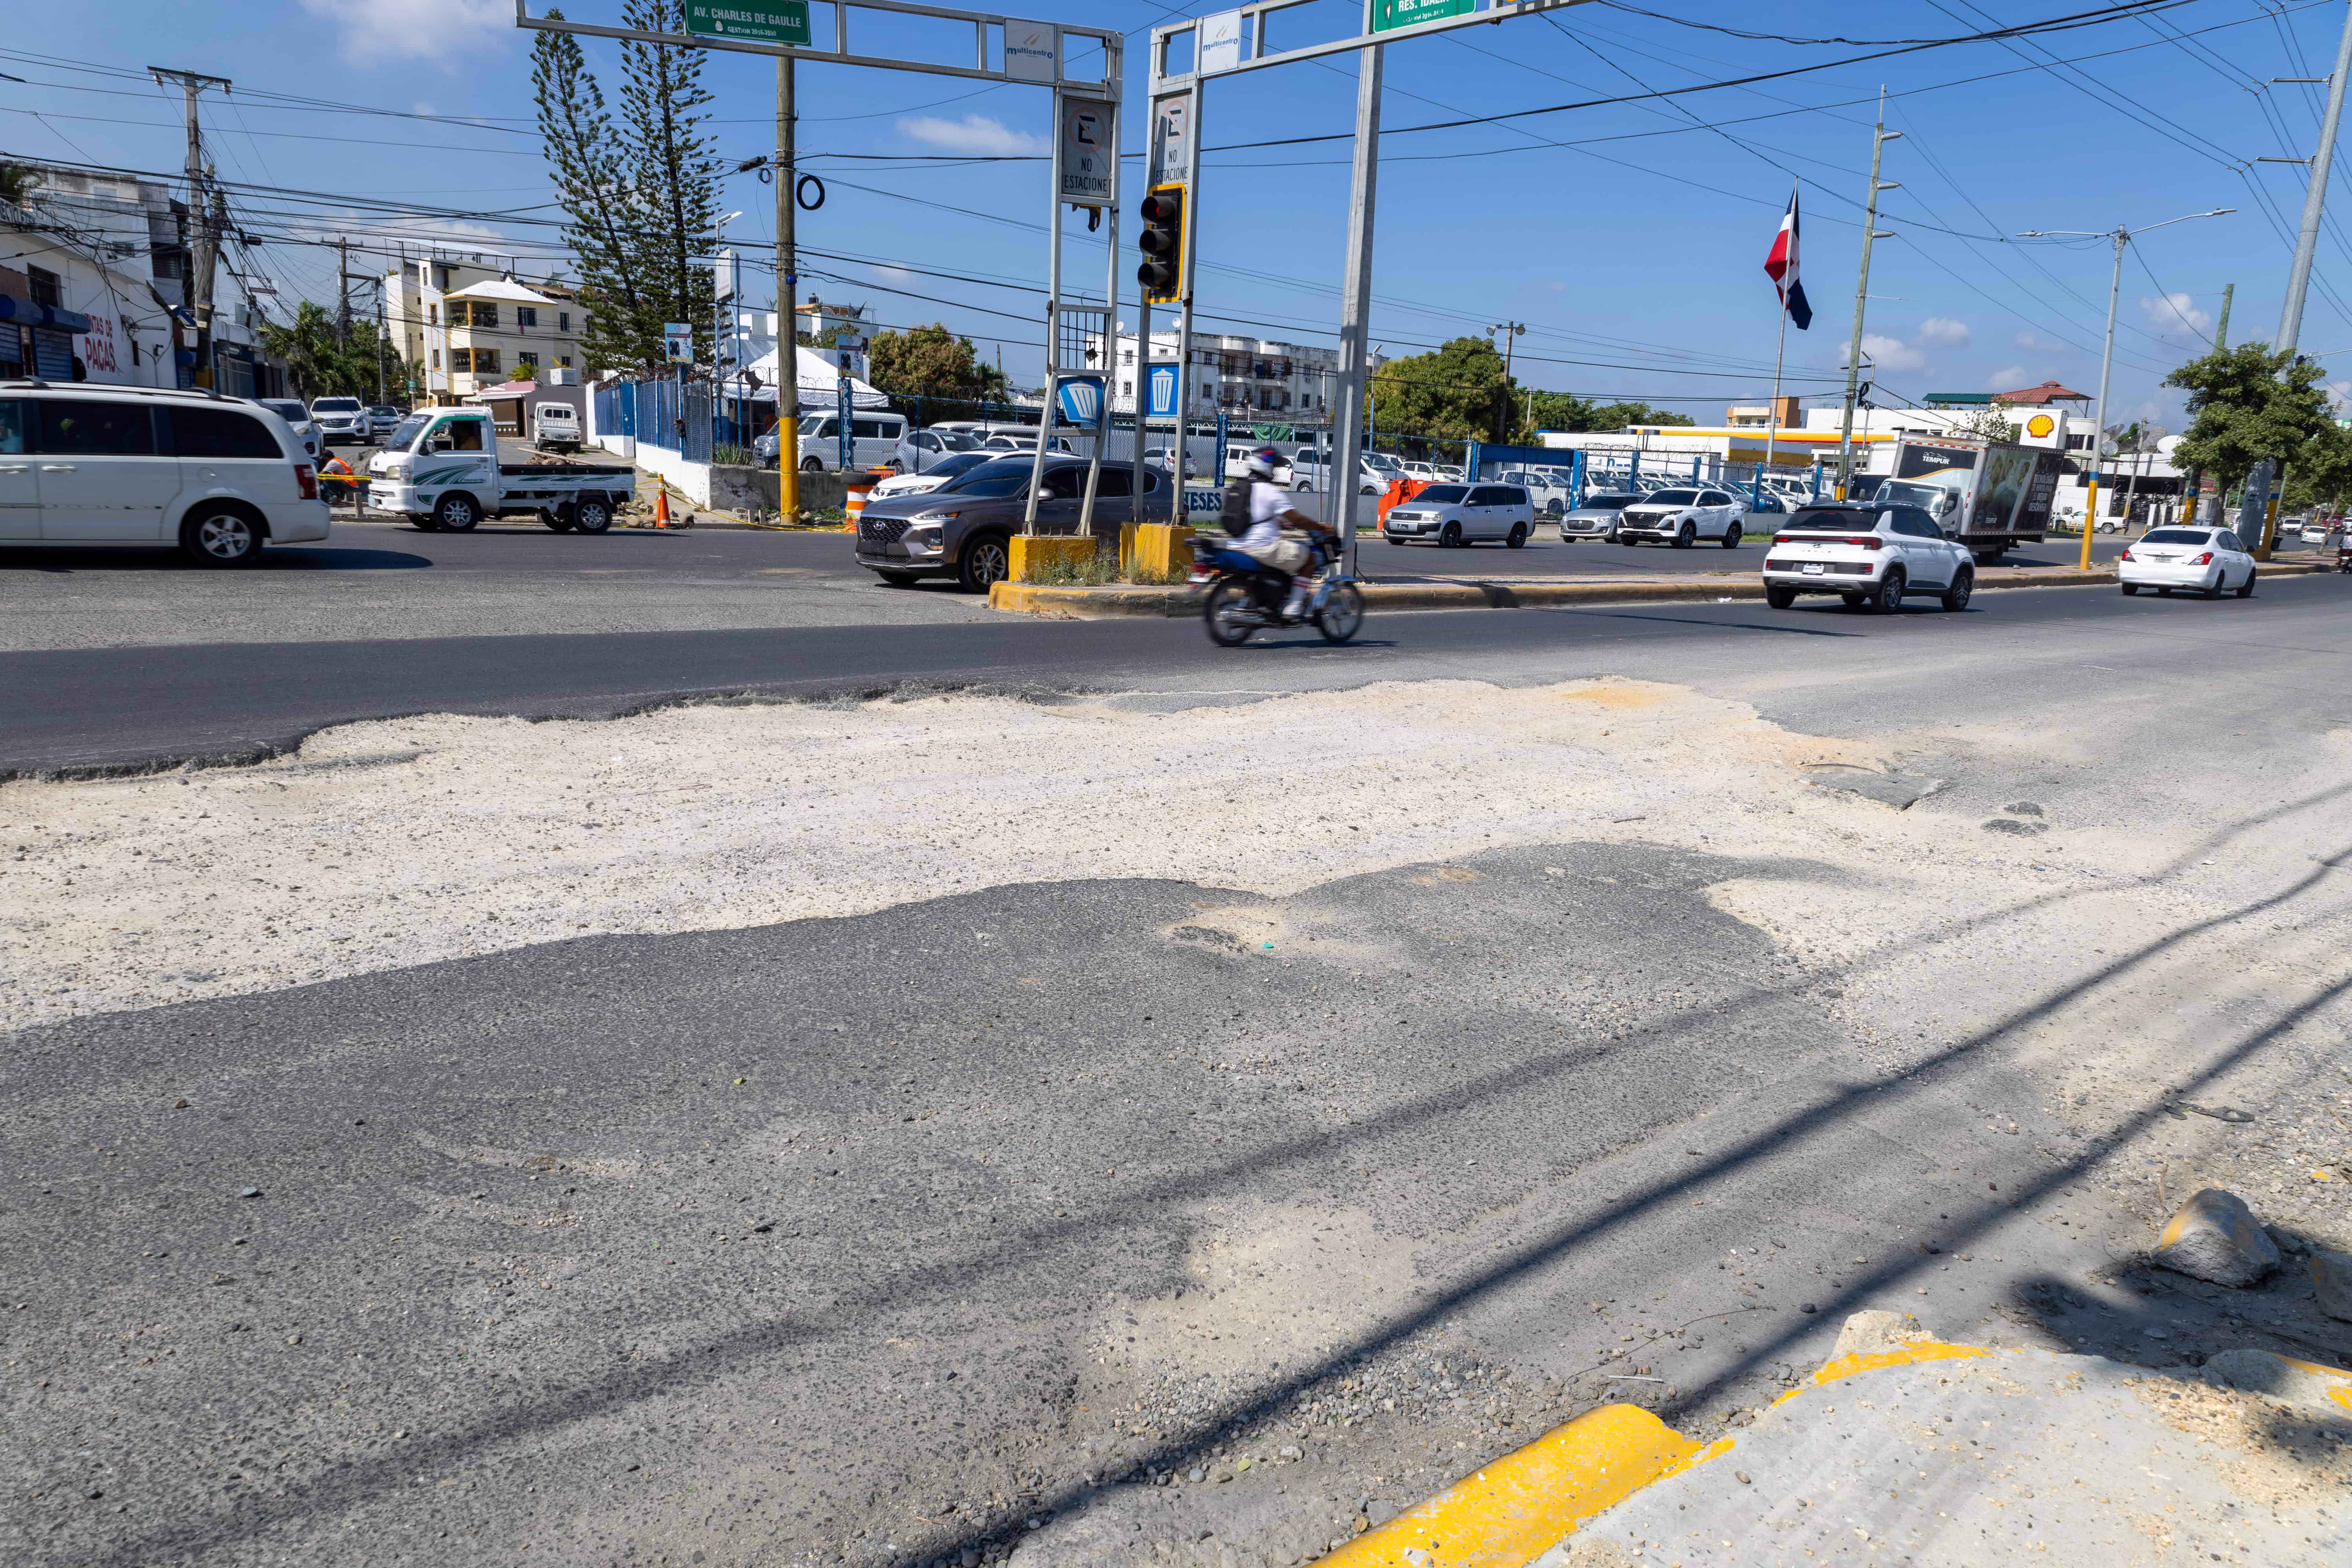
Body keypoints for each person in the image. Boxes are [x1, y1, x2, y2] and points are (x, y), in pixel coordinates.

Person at [1232, 445, 1333, 620]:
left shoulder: (1241, 486)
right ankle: (1293, 607)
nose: (1274, 471)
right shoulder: (1270, 491)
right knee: (1309, 559)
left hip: (1238, 546)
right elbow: (1298, 520)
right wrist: (1320, 527)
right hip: (1262, 547)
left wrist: (1277, 524)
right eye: (1273, 467)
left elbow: (1253, 516)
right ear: (1266, 466)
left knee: (1287, 556)